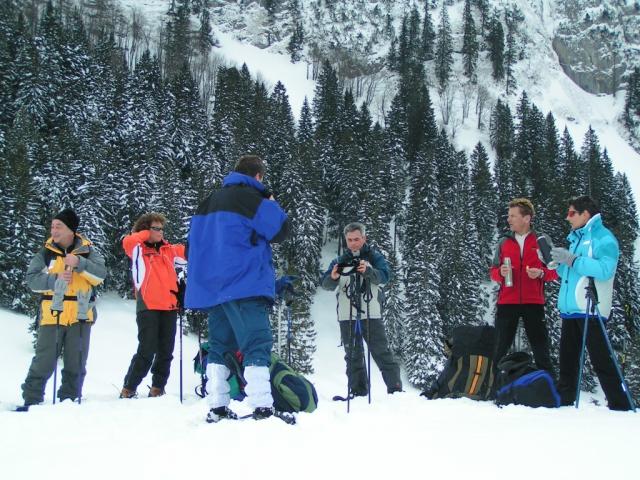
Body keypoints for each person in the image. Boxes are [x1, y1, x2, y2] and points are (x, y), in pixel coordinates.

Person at [185, 155, 290, 422]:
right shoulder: (251, 199)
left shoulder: (206, 203)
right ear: (258, 177)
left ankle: (217, 405)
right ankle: (262, 406)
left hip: (214, 289)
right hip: (244, 284)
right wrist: (272, 204)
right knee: (257, 343)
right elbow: (281, 230)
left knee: (220, 345)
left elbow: (190, 248)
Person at [18, 208, 106, 410]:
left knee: (76, 363)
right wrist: (55, 279)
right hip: (52, 314)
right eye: (52, 226)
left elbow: (100, 275)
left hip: (81, 315)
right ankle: (31, 400)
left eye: (59, 226)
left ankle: (69, 401)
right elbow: (32, 280)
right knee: (44, 361)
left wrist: (80, 263)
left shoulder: (88, 252)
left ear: (71, 231)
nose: (54, 230)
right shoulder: (46, 253)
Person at [551, 196, 633, 410]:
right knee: (567, 359)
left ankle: (620, 404)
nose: (567, 218)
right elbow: (572, 271)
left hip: (591, 307)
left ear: (585, 214)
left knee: (601, 360)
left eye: (571, 213)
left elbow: (605, 270)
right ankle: (564, 402)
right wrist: (557, 264)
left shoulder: (603, 237)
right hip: (572, 308)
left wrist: (572, 260)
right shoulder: (576, 238)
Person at [321, 222, 402, 397]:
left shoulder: (374, 257)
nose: (353, 243)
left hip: (371, 312)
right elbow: (325, 284)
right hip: (346, 314)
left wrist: (369, 272)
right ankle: (358, 393)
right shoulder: (339, 261)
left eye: (356, 239)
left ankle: (395, 391)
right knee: (352, 355)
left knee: (381, 352)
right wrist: (333, 277)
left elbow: (386, 276)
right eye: (349, 240)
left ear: (364, 238)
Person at [119, 213, 187, 399]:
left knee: (166, 350)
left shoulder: (169, 250)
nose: (160, 232)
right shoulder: (138, 248)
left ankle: (158, 387)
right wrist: (143, 233)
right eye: (155, 228)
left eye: (161, 228)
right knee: (147, 349)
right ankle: (130, 386)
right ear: (146, 229)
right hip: (148, 305)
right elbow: (128, 241)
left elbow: (189, 251)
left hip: (170, 305)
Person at [490, 198, 557, 373]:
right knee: (499, 348)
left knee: (540, 348)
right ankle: (492, 388)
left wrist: (540, 273)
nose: (509, 219)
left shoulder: (542, 241)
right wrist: (501, 273)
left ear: (526, 218)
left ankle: (549, 389)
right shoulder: (504, 242)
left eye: (513, 216)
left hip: (533, 303)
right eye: (508, 215)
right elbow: (493, 271)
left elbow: (555, 271)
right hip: (507, 302)